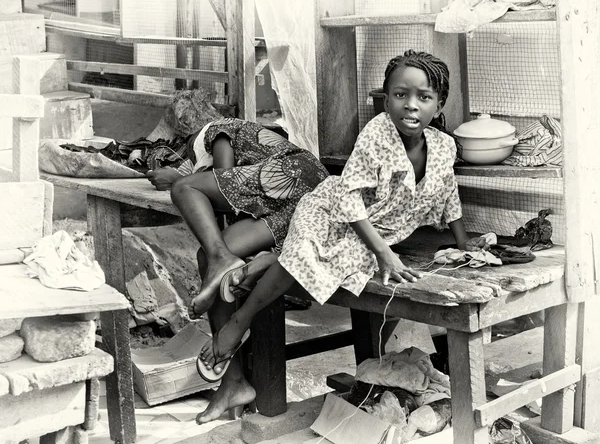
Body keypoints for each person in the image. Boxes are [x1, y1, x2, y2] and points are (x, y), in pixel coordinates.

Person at [195, 50, 489, 422]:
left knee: (325, 260)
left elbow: (448, 191)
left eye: (424, 98)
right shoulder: (376, 135)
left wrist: (463, 241)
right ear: (386, 99)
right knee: (306, 255)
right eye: (400, 96)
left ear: (439, 103)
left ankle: (270, 260)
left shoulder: (444, 146)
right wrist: (384, 253)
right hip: (334, 213)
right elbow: (349, 202)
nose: (411, 107)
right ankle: (239, 324)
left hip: (374, 231)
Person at [151, 118, 329, 321]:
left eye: (192, 153)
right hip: (299, 202)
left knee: (183, 188)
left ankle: (224, 260)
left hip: (296, 172)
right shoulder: (253, 181)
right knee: (208, 254)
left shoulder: (217, 128)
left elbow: (224, 175)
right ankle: (222, 344)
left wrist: (178, 179)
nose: (193, 159)